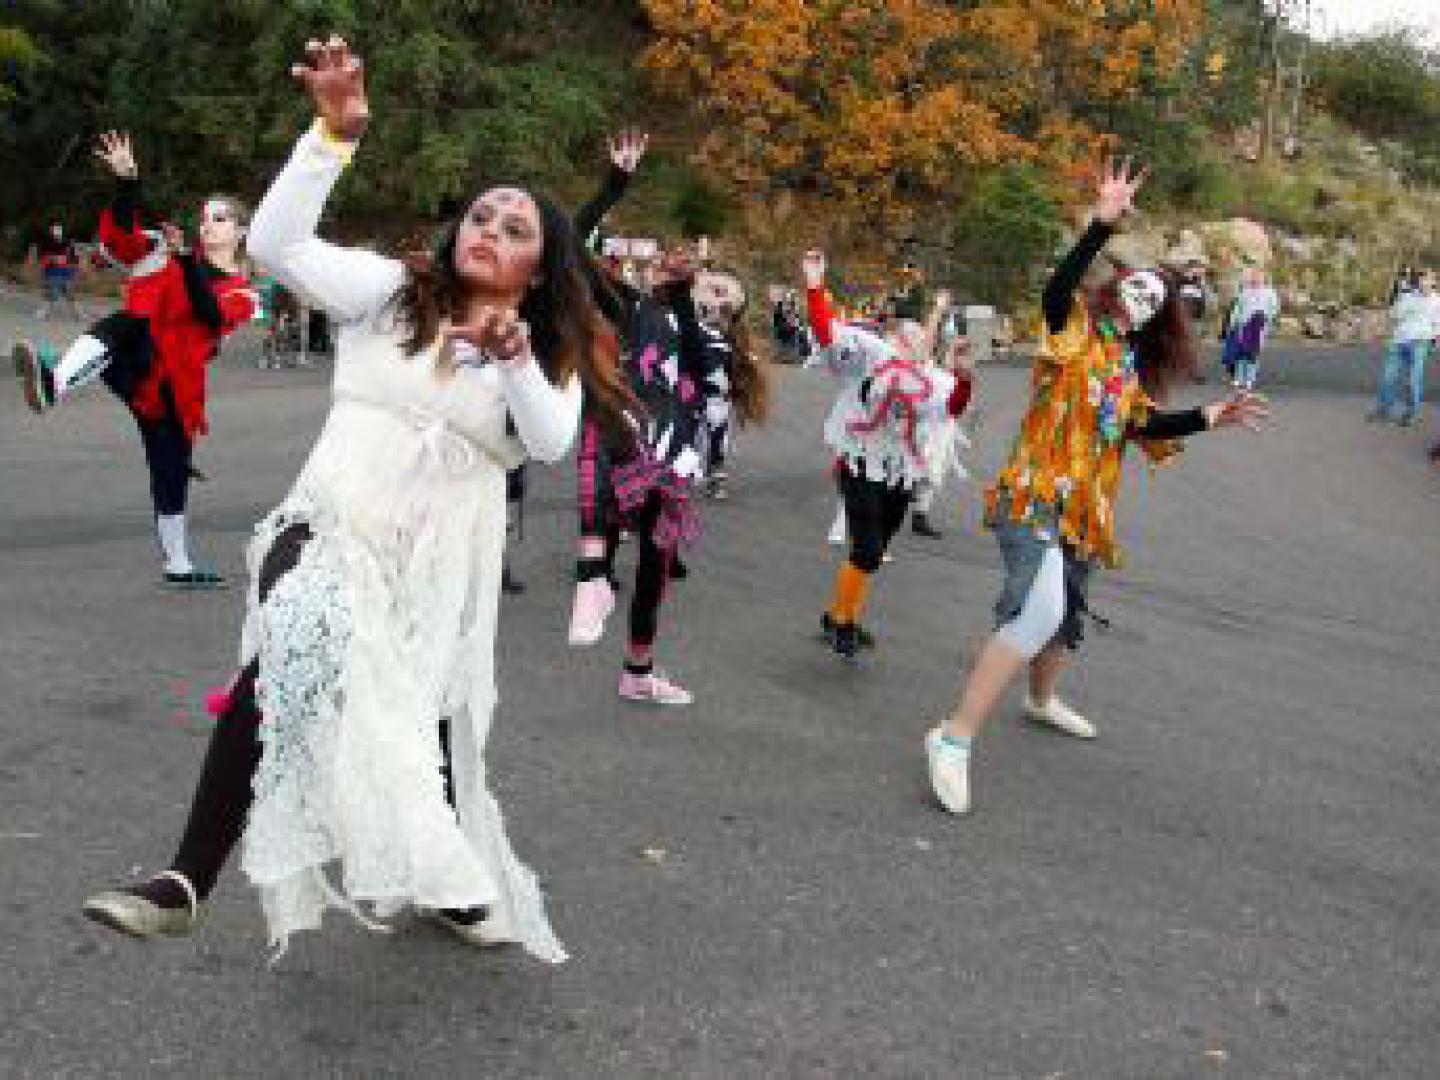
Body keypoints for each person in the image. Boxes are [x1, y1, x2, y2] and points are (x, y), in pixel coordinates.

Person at [81, 36, 632, 961]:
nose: (488, 231)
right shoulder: (390, 294)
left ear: (540, 267)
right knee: (296, 635)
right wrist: (332, 136)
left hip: (435, 563)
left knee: (422, 713)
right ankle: (185, 879)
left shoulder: (545, 352)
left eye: (515, 228)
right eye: (482, 215)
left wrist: (517, 361)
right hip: (327, 520)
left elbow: (547, 440)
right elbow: (275, 245)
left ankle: (450, 876)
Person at [925, 159, 1270, 816]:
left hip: (1086, 512)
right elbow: (1056, 291)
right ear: (1114, 289)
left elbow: (1145, 424)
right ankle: (952, 737)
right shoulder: (1073, 332)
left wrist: (1209, 416)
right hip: (1033, 496)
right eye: (1134, 286)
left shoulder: (1124, 368)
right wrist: (1099, 226)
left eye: (1154, 299)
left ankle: (1040, 698)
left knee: (1067, 617)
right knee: (1039, 609)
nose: (1140, 298)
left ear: (1157, 320)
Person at [14, 132, 255, 588]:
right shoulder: (168, 253)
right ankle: (55, 383)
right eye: (205, 218)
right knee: (125, 323)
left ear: (241, 230)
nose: (208, 226)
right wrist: (128, 182)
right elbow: (124, 236)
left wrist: (184, 260)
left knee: (169, 472)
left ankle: (178, 565)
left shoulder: (240, 290)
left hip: (174, 391)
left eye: (220, 219)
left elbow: (208, 314)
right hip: (137, 356)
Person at [565, 133, 735, 706]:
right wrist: (614, 185)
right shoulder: (634, 308)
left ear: (727, 304)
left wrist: (687, 299)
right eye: (672, 265)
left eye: (713, 285)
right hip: (629, 444)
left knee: (656, 571)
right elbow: (569, 248)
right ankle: (591, 580)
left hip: (674, 465)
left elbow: (694, 357)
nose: (680, 269)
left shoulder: (715, 345)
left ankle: (638, 670)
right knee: (606, 522)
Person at [804, 251, 975, 661]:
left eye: (920, 339)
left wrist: (965, 377)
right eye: (906, 336)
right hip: (861, 463)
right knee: (865, 549)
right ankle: (842, 626)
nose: (913, 342)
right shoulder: (869, 356)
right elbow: (828, 334)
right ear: (892, 338)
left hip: (899, 472)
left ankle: (838, 614)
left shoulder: (931, 379)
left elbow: (949, 409)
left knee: (874, 551)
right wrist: (815, 286)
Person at [1368, 268, 1439, 427]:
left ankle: (1411, 413)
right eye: (1422, 279)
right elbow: (1394, 315)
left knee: (1413, 380)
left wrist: (1434, 341)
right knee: (1388, 377)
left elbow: (1438, 324)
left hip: (1420, 342)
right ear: (1418, 281)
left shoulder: (1437, 300)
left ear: (1434, 282)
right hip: (1399, 341)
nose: (1425, 283)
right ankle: (1384, 409)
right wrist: (1402, 300)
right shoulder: (1407, 296)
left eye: (1428, 280)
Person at [1219, 265, 1280, 391]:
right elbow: (1237, 308)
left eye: (1258, 276)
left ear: (1263, 278)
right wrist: (1232, 322)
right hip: (1243, 324)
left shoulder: (1269, 293)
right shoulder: (1245, 292)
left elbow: (1273, 309)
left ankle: (1249, 379)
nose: (1255, 278)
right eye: (1253, 276)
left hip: (1258, 327)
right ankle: (1238, 378)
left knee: (1253, 354)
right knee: (1240, 352)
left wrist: (1266, 318)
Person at [27, 219, 85, 321]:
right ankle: (43, 313)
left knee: (69, 293)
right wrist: (49, 260)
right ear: (51, 230)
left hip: (66, 271)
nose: (57, 231)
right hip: (52, 271)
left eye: (59, 229)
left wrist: (77, 267)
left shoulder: (67, 242)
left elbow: (74, 256)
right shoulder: (46, 242)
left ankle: (78, 313)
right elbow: (41, 256)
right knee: (51, 292)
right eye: (55, 229)